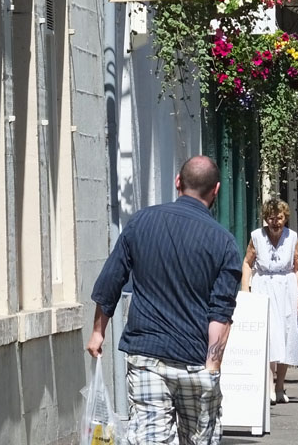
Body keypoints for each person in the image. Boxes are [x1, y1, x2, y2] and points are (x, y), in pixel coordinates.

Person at [87, 156, 243, 444]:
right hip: (196, 360)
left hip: (147, 355)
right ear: (216, 190)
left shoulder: (142, 222)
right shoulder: (224, 242)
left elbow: (110, 279)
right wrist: (212, 367)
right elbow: (220, 311)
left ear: (177, 182)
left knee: (150, 438)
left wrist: (98, 331)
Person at [241, 198, 298, 405]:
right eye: (271, 218)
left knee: (287, 334)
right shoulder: (257, 237)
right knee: (269, 335)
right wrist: (246, 290)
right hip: (264, 285)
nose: (275, 222)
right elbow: (247, 262)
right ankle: (269, 385)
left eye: (279, 218)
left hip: (287, 287)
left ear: (285, 218)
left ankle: (280, 386)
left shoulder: (292, 237)